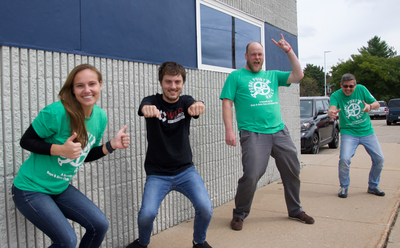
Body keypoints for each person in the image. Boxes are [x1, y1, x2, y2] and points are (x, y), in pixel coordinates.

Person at [12, 64, 130, 248]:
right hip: (30, 189)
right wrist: (59, 150)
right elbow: (26, 141)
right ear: (73, 89)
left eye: (92, 84)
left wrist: (110, 146)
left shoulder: (100, 117)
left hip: (59, 188)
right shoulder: (56, 112)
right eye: (80, 85)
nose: (87, 90)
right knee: (67, 241)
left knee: (99, 225)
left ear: (100, 85)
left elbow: (84, 155)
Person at [220, 34, 315, 231]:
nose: (257, 57)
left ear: (263, 57)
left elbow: (298, 75)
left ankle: (295, 210)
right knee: (253, 173)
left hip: (279, 131)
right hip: (253, 133)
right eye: (253, 54)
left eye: (260, 54)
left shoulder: (272, 75)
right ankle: (239, 214)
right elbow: (227, 103)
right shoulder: (235, 77)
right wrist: (229, 130)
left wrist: (288, 50)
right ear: (246, 56)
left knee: (292, 170)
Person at [126, 61, 213, 248]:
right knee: (147, 214)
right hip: (157, 173)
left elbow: (195, 104)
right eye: (168, 81)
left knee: (205, 208)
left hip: (185, 171)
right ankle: (142, 243)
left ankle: (199, 242)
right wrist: (146, 109)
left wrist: (200, 104)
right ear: (161, 82)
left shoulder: (185, 102)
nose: (173, 86)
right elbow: (144, 106)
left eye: (177, 81)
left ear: (182, 83)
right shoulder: (152, 101)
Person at [328, 73, 385, 198]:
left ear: (355, 85)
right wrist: (331, 112)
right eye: (345, 86)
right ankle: (344, 187)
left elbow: (377, 104)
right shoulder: (336, 95)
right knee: (344, 159)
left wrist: (370, 106)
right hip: (349, 133)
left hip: (367, 132)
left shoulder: (362, 89)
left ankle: (373, 186)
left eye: (351, 86)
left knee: (379, 159)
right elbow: (332, 107)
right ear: (341, 85)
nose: (348, 89)